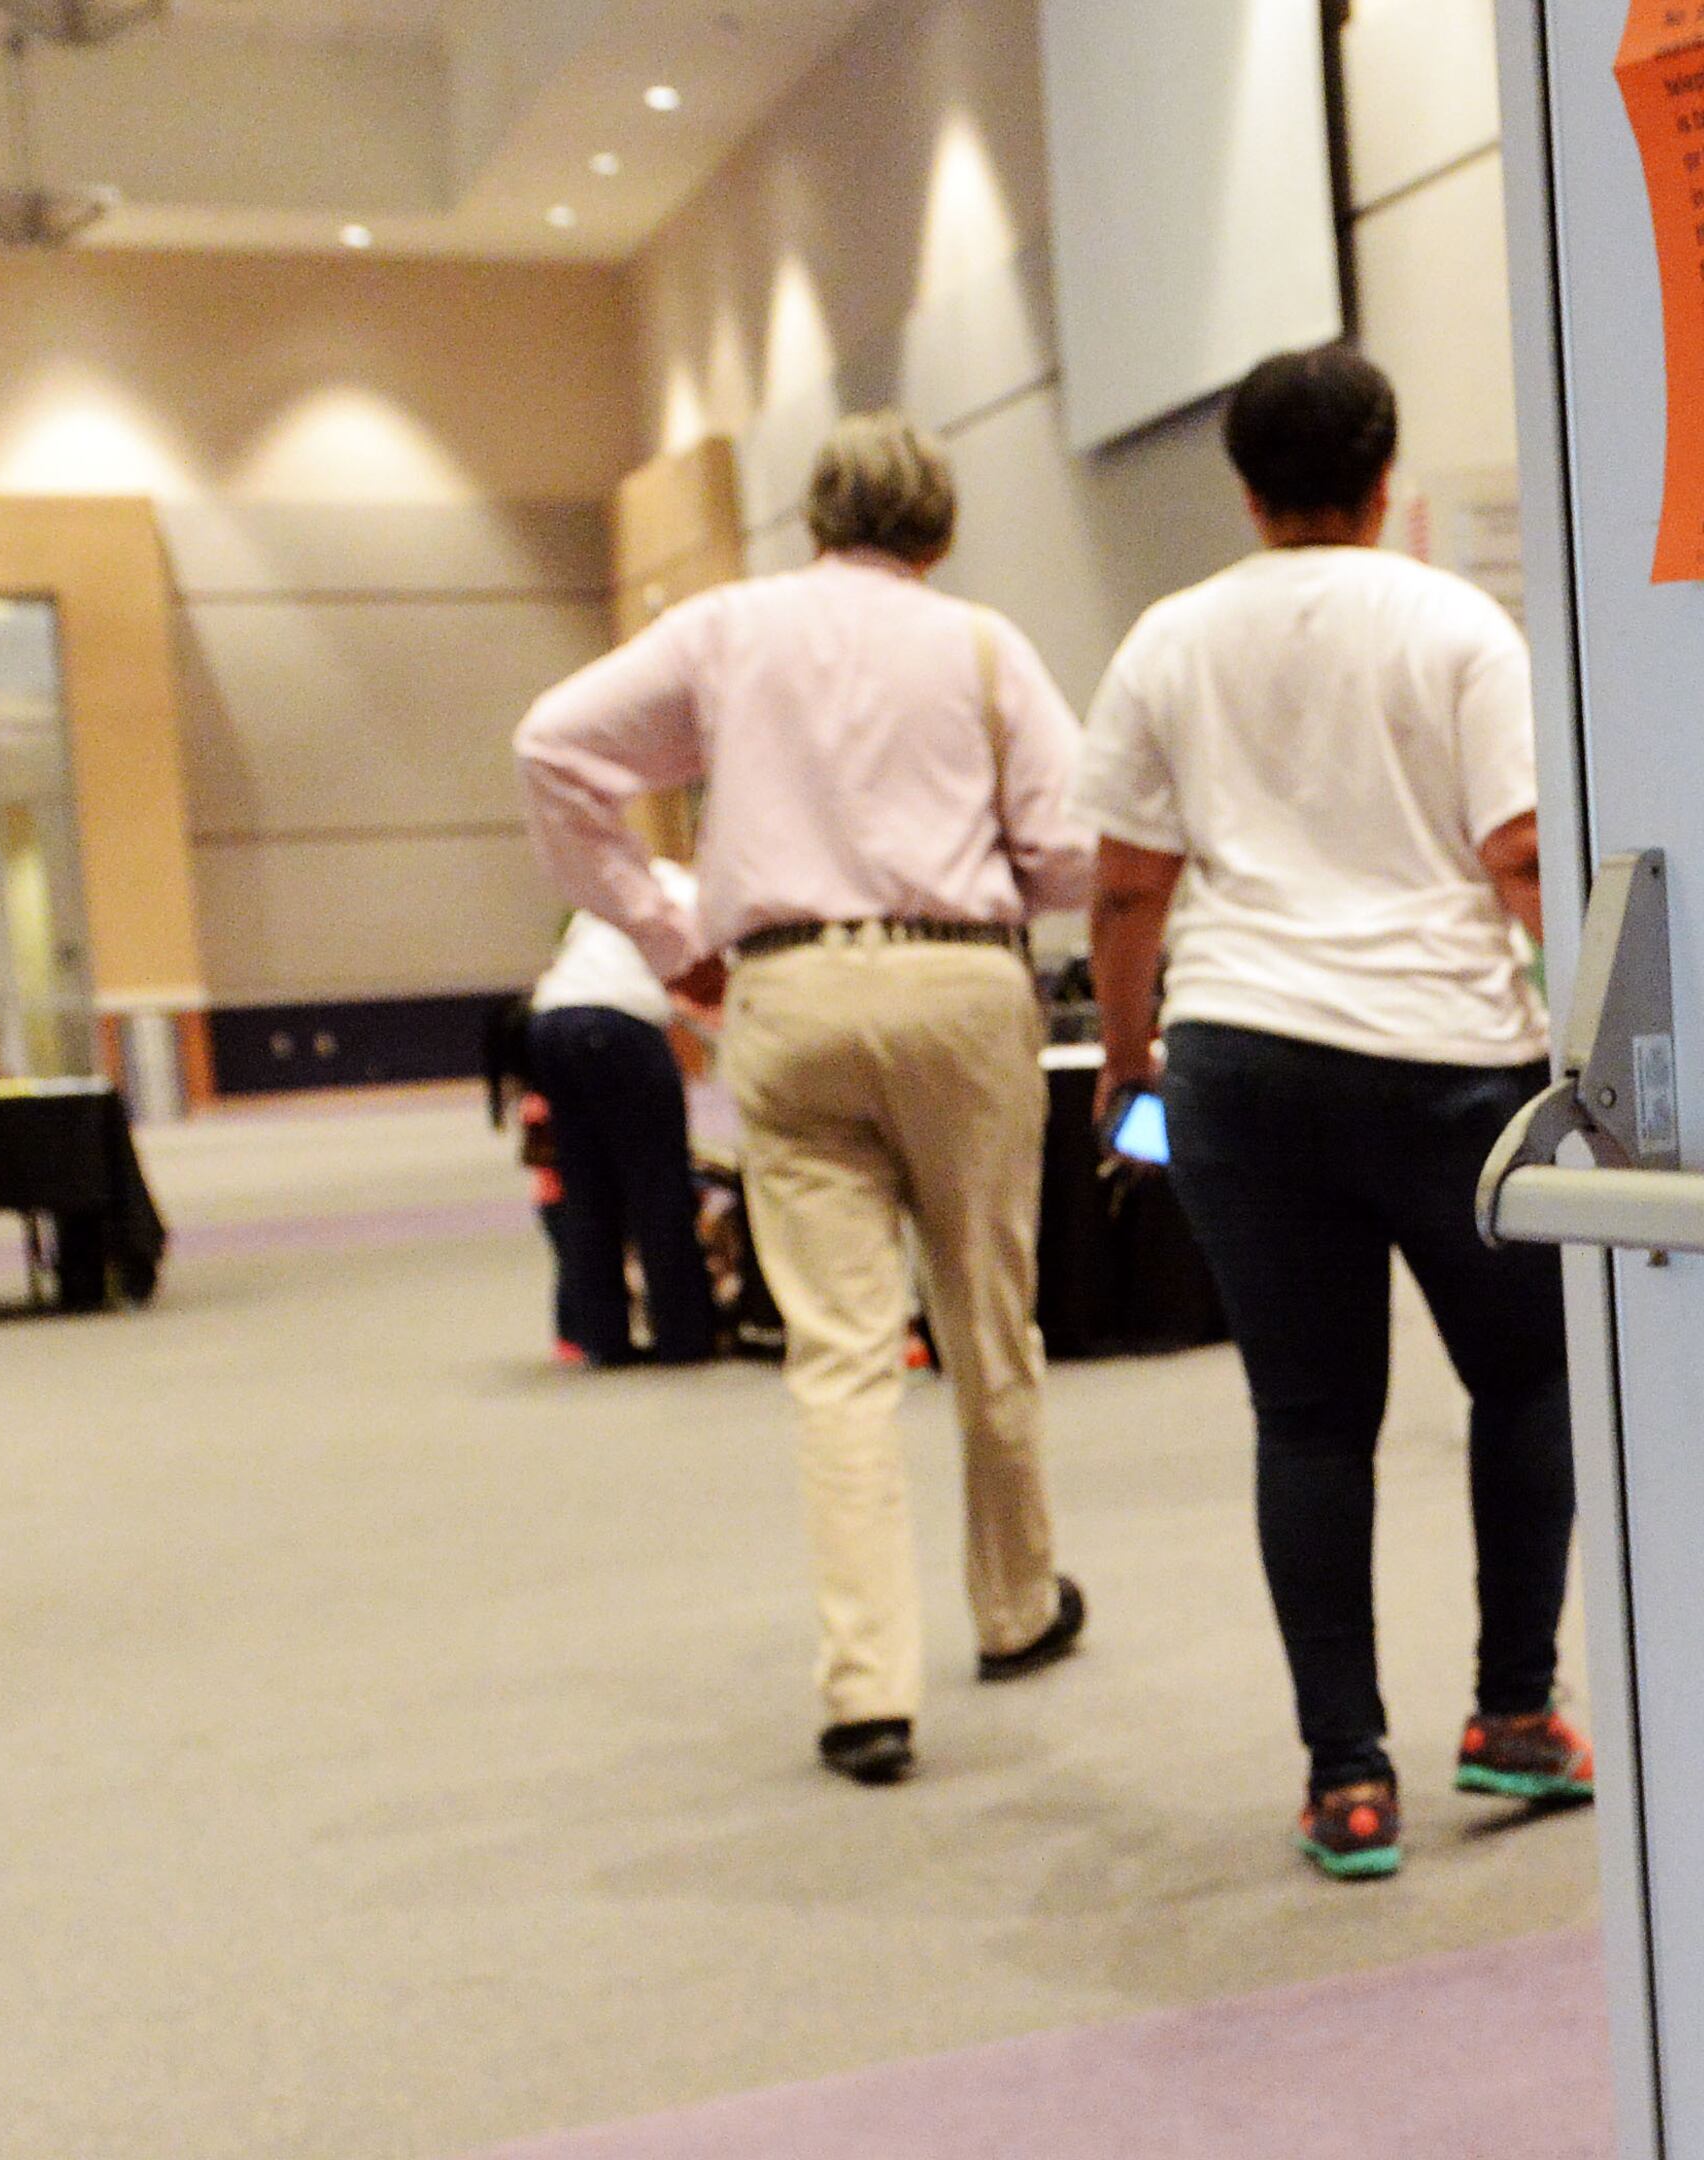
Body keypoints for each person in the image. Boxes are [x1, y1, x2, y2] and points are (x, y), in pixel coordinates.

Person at [516, 411, 1091, 1786]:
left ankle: (865, 1690)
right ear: (940, 532)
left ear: (815, 524)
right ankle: (1014, 1609)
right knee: (985, 1314)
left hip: (785, 994)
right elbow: (1067, 851)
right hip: (960, 989)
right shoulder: (984, 645)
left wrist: (667, 931)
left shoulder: (728, 631)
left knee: (839, 1353)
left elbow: (553, 747)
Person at [1078, 345, 1586, 1880]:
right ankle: (1510, 1717)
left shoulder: (1165, 639)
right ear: (1387, 476)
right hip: (1447, 1064)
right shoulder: (1452, 622)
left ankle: (1345, 1780)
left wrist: (1125, 1053)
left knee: (1308, 1421)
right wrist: (1586, 1038)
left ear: (1244, 487)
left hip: (1240, 1059)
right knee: (1527, 1381)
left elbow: (1124, 883)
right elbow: (1518, 852)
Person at [526, 909, 720, 1366]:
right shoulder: (689, 896)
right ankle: (683, 1337)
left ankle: (601, 1338)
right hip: (621, 1027)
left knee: (587, 1188)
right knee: (658, 1185)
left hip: (548, 1025)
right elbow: (707, 986)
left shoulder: (595, 907)